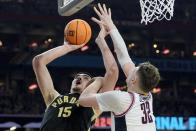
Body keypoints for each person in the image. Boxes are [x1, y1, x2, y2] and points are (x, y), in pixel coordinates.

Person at [79, 3, 161, 131]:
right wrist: (110, 27)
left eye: (134, 70)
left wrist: (99, 81)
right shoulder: (146, 94)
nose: (131, 68)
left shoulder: (120, 99)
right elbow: (124, 56)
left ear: (134, 80)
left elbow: (82, 100)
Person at [32, 21, 118, 131]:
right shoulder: (53, 97)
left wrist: (101, 41)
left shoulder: (94, 105)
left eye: (85, 78)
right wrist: (67, 47)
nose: (79, 78)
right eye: (77, 77)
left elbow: (113, 71)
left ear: (90, 85)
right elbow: (38, 61)